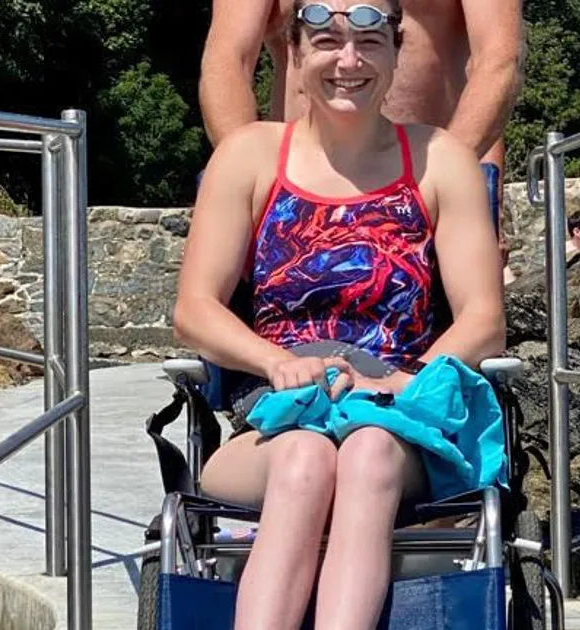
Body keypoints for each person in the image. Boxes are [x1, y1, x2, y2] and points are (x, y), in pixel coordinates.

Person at [173, 2, 506, 627]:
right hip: (278, 408)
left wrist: (403, 380)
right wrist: (274, 362)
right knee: (305, 458)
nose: (348, 61)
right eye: (327, 41)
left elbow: (483, 319)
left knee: (368, 452)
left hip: (398, 408)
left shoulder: (441, 162)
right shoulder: (248, 157)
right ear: (296, 53)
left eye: (369, 42)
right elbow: (194, 310)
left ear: (396, 53)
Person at [198, 0, 525, 229]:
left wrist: (444, 178)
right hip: (291, 192)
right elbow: (228, 60)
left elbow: (498, 60)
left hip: (429, 188)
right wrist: (245, 179)